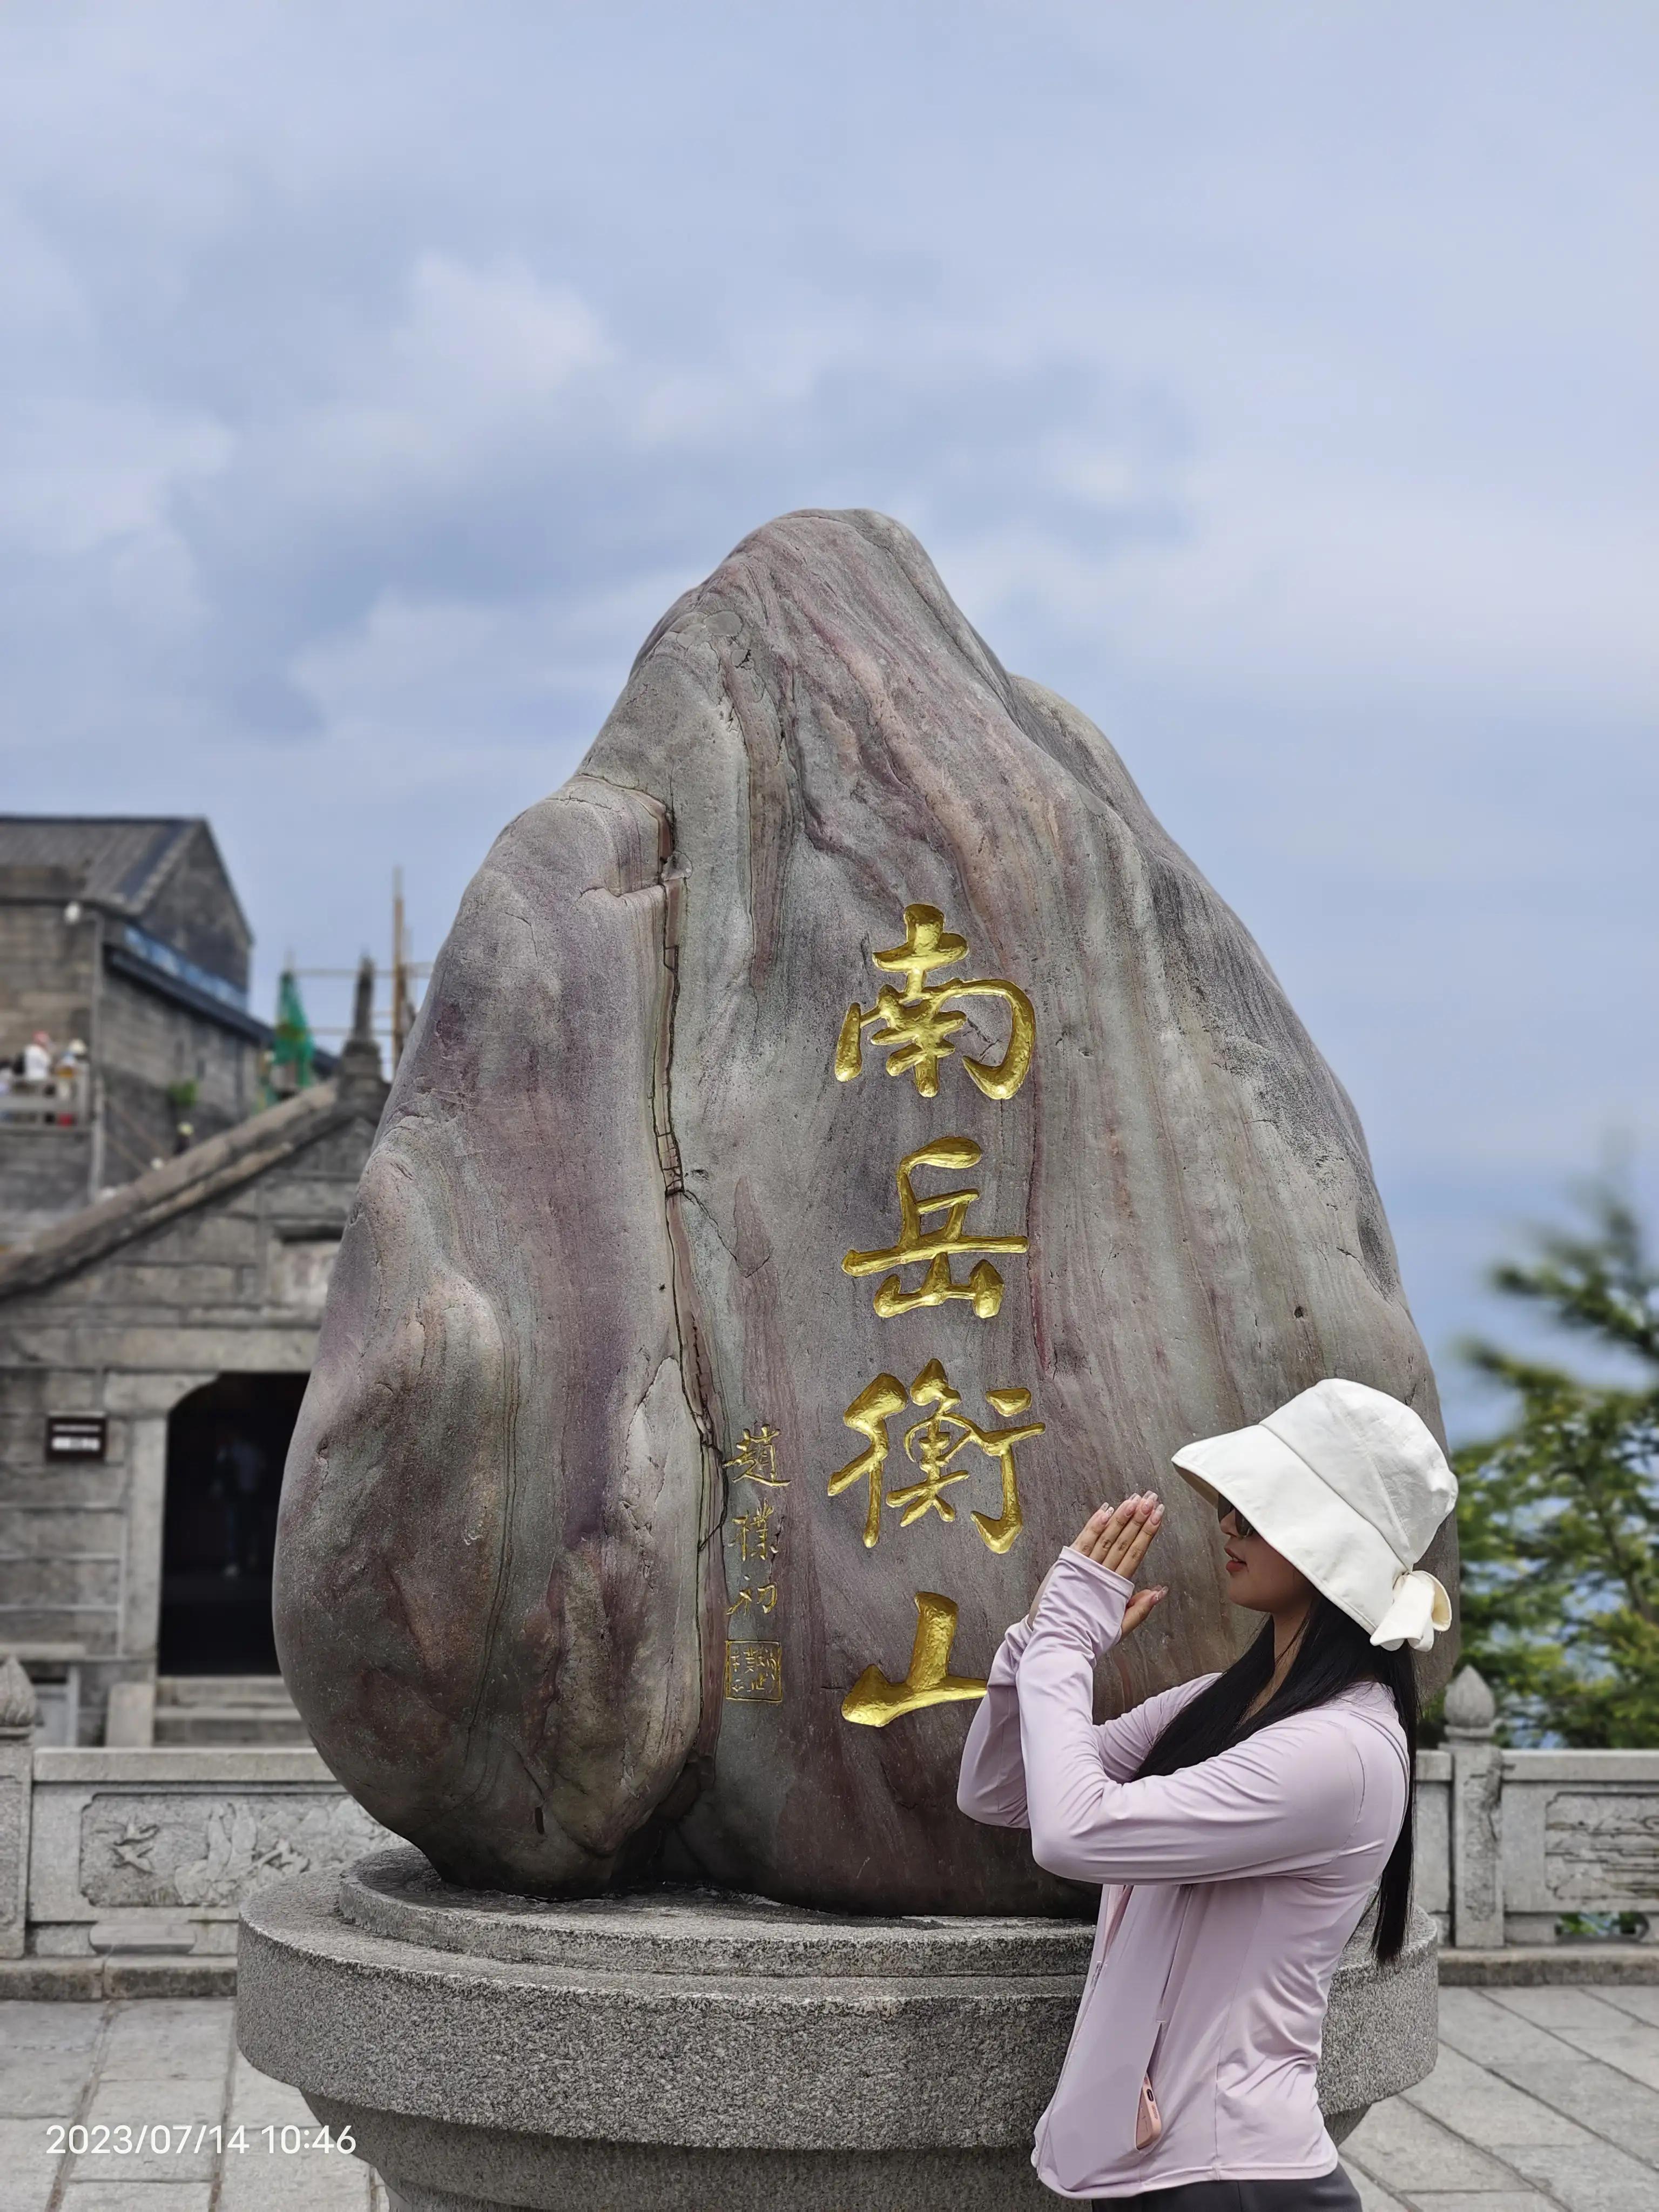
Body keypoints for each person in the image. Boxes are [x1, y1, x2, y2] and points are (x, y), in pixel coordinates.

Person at [957, 1376, 1456, 2209]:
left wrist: (1067, 1649)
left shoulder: (1340, 1751)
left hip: (1234, 2178)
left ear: (1330, 1545)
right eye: (1232, 1503)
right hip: (1182, 2174)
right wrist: (1036, 1641)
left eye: (1258, 1510)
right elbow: (1003, 1792)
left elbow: (1072, 1833)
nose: (1227, 1523)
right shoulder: (1220, 1701)